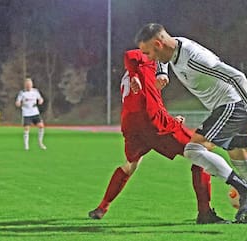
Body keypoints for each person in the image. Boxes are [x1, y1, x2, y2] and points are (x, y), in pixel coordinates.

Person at [134, 23, 247, 223]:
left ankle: (246, 191)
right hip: (227, 105)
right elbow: (163, 58)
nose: (149, 58)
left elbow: (237, 77)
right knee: (240, 158)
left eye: (148, 52)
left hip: (230, 105)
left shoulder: (194, 59)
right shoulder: (172, 48)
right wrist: (162, 72)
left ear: (158, 44)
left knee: (193, 149)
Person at [88, 49, 225, 224]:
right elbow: (131, 55)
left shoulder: (139, 72)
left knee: (130, 165)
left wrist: (171, 119)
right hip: (152, 125)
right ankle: (205, 212)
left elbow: (149, 100)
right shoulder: (146, 59)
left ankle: (102, 207)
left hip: (133, 127)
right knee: (200, 152)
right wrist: (135, 76)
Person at [15, 78, 46, 150]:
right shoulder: (22, 93)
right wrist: (18, 103)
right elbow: (18, 101)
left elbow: (40, 98)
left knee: (41, 126)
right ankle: (26, 145)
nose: (29, 86)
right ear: (25, 85)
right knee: (26, 128)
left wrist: (41, 100)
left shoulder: (35, 91)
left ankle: (40, 143)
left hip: (35, 112)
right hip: (26, 112)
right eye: (27, 85)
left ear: (32, 84)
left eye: (30, 84)